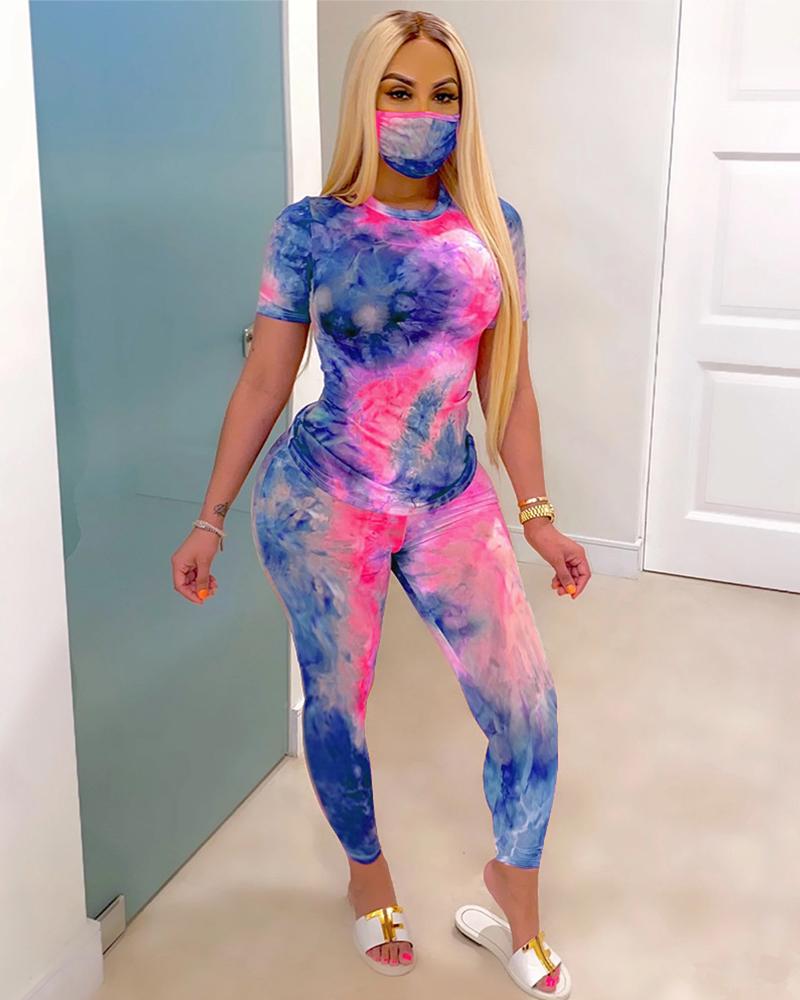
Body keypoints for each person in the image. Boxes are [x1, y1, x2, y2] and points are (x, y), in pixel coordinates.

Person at [171, 8, 590, 997]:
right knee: (338, 701)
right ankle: (368, 874)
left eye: (443, 94)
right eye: (399, 91)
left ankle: (514, 894)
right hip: (323, 503)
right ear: (365, 97)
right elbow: (266, 380)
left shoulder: (492, 228)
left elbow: (509, 387)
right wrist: (209, 515)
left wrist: (537, 516)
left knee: (526, 706)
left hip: (451, 502)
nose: (421, 111)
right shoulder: (309, 229)